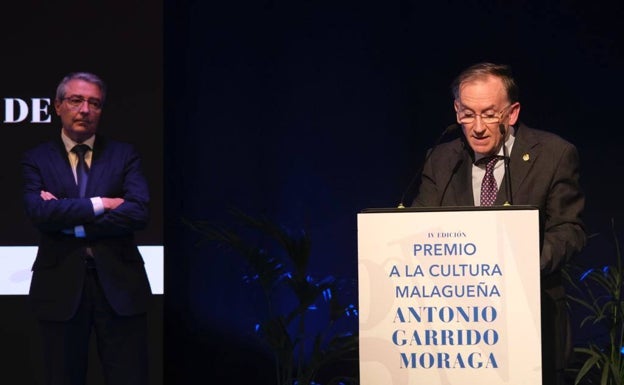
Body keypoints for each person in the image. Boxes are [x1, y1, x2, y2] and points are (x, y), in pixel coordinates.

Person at [412, 62, 586, 385]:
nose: (477, 127)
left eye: (489, 114)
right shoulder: (440, 160)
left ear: (512, 113)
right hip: (458, 333)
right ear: (456, 110)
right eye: (467, 114)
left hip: (533, 324)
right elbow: (417, 230)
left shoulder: (554, 155)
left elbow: (569, 231)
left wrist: (521, 263)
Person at [21, 72, 152, 385]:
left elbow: (138, 212)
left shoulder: (124, 155)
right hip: (60, 286)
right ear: (58, 106)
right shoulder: (36, 159)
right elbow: (39, 213)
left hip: (120, 286)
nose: (85, 109)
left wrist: (69, 224)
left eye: (94, 103)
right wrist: (102, 204)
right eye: (76, 100)